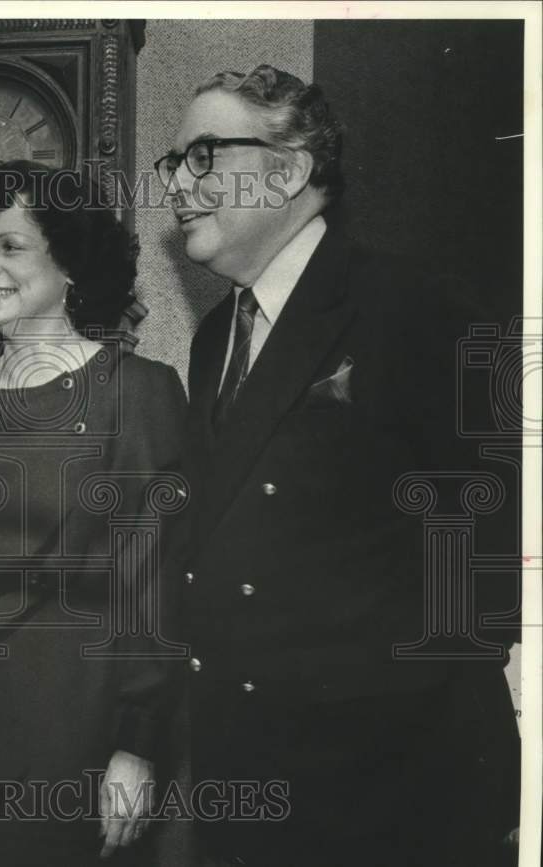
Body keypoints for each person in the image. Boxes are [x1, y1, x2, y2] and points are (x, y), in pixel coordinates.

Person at [159, 65, 520, 867]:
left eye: (205, 155)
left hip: (384, 791)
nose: (179, 184)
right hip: (248, 780)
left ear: (288, 172)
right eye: (175, 162)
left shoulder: (412, 306)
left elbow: (490, 541)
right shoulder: (216, 336)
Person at [0, 162, 188, 866]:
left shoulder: (138, 394)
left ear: (72, 264)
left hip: (68, 729)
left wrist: (136, 743)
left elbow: (154, 582)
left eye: (10, 246)